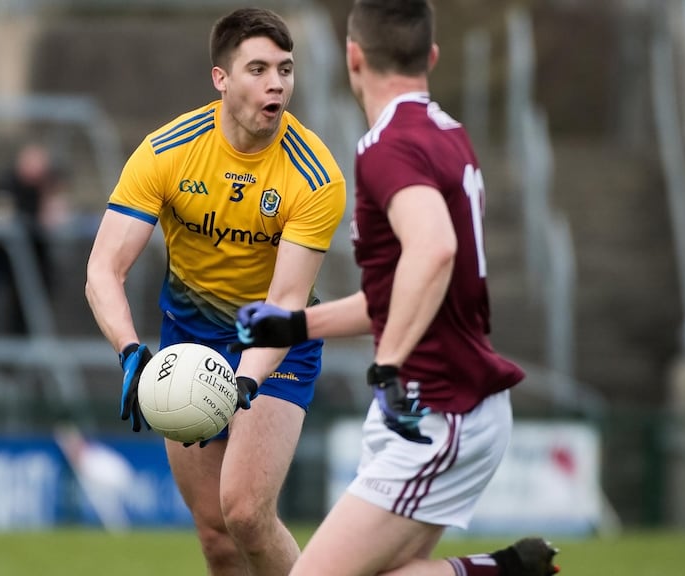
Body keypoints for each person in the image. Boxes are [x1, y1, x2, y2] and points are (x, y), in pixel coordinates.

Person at [232, 1, 559, 575]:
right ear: (430, 56)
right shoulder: (446, 134)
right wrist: (296, 324)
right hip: (444, 404)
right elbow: (402, 291)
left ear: (353, 57)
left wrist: (388, 365)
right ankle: (499, 571)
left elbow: (434, 252)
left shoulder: (388, 147)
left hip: (436, 407)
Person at [84, 7, 346, 576]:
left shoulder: (315, 175)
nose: (276, 82)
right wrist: (130, 353)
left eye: (285, 68)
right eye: (258, 68)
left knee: (247, 513)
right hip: (189, 342)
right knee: (216, 534)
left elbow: (285, 303)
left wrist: (246, 378)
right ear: (221, 79)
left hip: (276, 344)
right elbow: (104, 268)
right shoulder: (167, 152)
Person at [0, 142, 67, 335]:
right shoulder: (4, 186)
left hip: (32, 258)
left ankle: (20, 348)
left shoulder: (45, 188)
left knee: (26, 308)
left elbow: (55, 218)